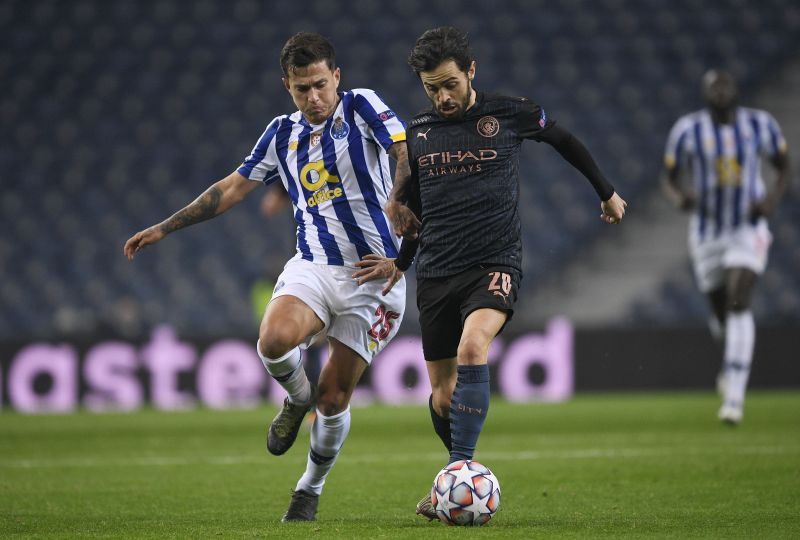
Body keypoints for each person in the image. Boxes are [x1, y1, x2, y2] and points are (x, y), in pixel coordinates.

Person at [124, 32, 410, 522]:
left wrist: (399, 199)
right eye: (302, 89)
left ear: (336, 77)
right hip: (316, 264)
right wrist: (165, 226)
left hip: (377, 277)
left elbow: (403, 148)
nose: (314, 97)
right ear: (287, 87)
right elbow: (233, 188)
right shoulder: (281, 133)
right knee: (273, 340)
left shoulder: (361, 106)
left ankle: (308, 489)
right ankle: (295, 401)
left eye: (321, 84)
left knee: (335, 396)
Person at [352, 26, 627, 520]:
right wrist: (402, 261)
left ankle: (457, 474)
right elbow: (417, 213)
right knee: (441, 397)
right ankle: (457, 476)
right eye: (432, 87)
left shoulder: (509, 113)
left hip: (494, 262)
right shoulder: (418, 132)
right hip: (437, 271)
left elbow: (563, 139)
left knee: (473, 347)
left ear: (471, 71)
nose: (443, 96)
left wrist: (604, 191)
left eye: (450, 83)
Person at [662, 69, 790, 425]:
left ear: (736, 89)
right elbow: (668, 179)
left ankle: (734, 397)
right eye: (713, 86)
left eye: (725, 84)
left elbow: (783, 165)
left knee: (738, 299)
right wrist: (679, 198)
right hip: (706, 234)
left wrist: (771, 202)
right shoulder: (688, 130)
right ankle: (729, 362)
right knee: (722, 311)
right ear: (704, 93)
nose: (720, 91)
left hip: (747, 228)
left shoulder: (760, 125)